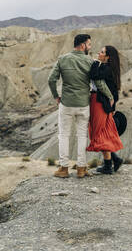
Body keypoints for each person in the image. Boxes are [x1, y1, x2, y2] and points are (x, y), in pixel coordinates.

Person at [48, 34, 114, 179]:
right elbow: (99, 83)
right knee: (81, 135)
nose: (90, 47)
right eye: (89, 45)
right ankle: (81, 169)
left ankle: (64, 169)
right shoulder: (90, 61)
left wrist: (56, 96)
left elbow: (51, 79)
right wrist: (110, 96)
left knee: (64, 135)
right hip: (84, 104)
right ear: (83, 45)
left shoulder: (63, 59)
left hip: (66, 104)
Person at [87, 45, 124, 174]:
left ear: (108, 57)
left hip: (100, 103)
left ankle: (108, 165)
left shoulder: (105, 68)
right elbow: (115, 92)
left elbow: (93, 75)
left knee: (99, 133)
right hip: (103, 103)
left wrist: (95, 63)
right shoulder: (110, 69)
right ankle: (114, 159)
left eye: (102, 52)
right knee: (104, 132)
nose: (99, 53)